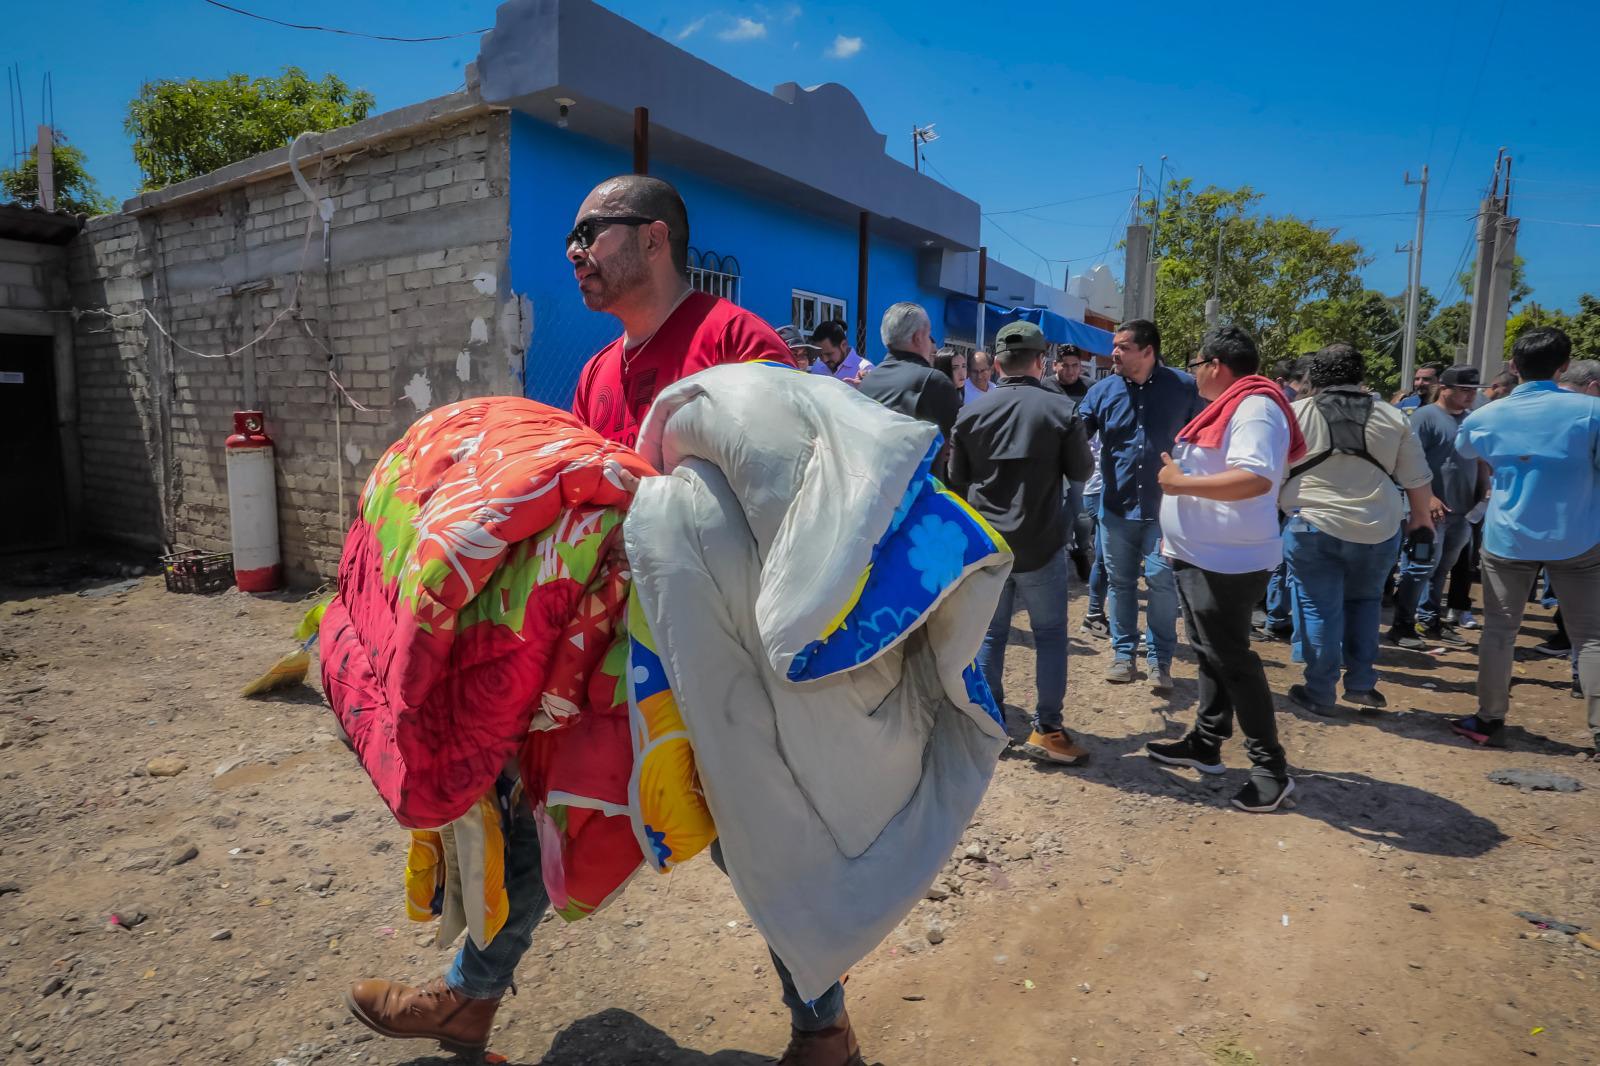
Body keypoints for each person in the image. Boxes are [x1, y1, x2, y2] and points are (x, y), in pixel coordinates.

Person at [349, 175, 869, 1066]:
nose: (574, 251)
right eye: (571, 238)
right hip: (605, 649)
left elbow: (789, 490)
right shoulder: (595, 372)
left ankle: (824, 1031)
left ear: (656, 237)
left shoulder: (733, 340)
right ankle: (470, 1001)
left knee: (746, 833)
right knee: (534, 799)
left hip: (714, 648)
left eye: (590, 231)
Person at [1145, 326, 1303, 813]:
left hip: (1227, 561)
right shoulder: (1237, 405)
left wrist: (1178, 483)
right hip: (1202, 554)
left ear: (1215, 364)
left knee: (1232, 659)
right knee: (1210, 653)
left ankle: (1270, 770)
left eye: (1195, 364)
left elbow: (1254, 479)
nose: (1193, 374)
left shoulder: (1255, 407)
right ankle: (1206, 743)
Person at [949, 321, 1094, 764]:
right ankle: (1048, 731)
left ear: (996, 364)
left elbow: (957, 482)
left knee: (991, 635)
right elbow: (1082, 473)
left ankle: (991, 724)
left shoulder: (970, 413)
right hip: (1041, 545)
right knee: (1050, 636)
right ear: (1040, 362)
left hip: (990, 548)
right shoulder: (1060, 411)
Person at [1451, 328, 1600, 756]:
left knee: (1499, 632)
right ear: (1564, 365)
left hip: (1507, 536)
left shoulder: (1486, 415)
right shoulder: (1591, 412)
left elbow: (1466, 451)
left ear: (1514, 367)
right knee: (1590, 636)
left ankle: (1489, 718)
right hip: (1579, 537)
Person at [1279, 344, 1435, 714]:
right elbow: (1416, 479)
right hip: (1378, 528)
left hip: (1311, 524)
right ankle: (1362, 684)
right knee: (1365, 603)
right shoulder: (1393, 418)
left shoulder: (1294, 414)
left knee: (1319, 608)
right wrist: (1422, 522)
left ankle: (1320, 691)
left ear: (1313, 377)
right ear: (1361, 377)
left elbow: (1273, 474)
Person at [1076, 318, 1205, 693]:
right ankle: (1123, 654)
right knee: (1120, 583)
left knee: (1162, 583)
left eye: (1123, 347)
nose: (1113, 353)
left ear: (1148, 351)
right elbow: (1076, 434)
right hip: (1115, 508)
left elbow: (1204, 440)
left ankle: (1159, 660)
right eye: (1114, 346)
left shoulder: (1184, 388)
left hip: (1166, 511)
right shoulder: (1101, 392)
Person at [1387, 366, 1492, 650]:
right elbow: (1408, 462)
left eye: (1473, 390)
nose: (1471, 395)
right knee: (1420, 567)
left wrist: (1484, 487)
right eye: (1464, 389)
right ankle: (1403, 624)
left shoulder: (1471, 420)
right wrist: (1428, 498)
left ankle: (1429, 619)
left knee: (1442, 568)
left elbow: (1480, 461)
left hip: (1462, 512)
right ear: (1444, 388)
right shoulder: (1424, 417)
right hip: (1427, 512)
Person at [857, 303, 962, 478]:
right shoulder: (932, 382)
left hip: (871, 489)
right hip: (916, 494)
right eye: (928, 336)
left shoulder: (867, 382)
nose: (930, 343)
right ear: (918, 337)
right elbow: (960, 445)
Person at [1043, 345, 1092, 578]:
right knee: (1057, 515)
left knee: (1081, 516)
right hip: (1051, 460)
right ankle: (1061, 557)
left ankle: (1081, 550)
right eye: (1065, 366)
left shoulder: (1090, 388)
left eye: (1075, 366)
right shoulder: (1045, 388)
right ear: (1055, 365)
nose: (1071, 371)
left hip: (1079, 459)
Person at [809, 319, 872, 385]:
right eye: (820, 355)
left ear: (843, 345)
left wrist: (864, 388)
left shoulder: (865, 369)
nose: (824, 360)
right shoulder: (817, 368)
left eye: (829, 354)